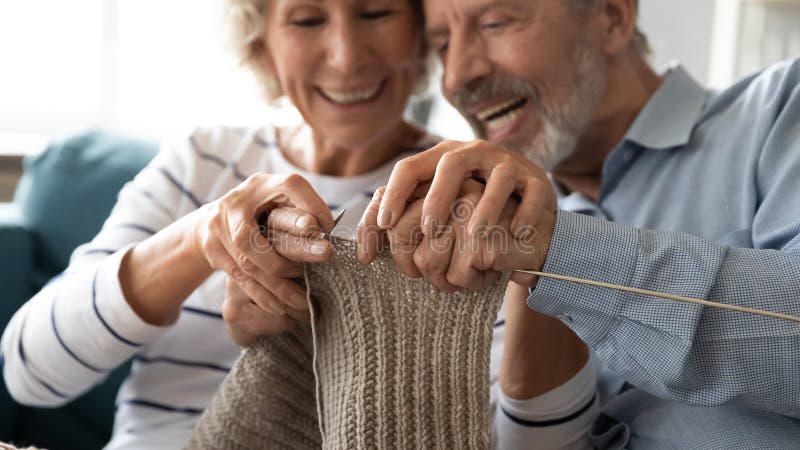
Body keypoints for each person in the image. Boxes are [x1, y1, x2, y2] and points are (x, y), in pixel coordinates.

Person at [1, 0, 598, 449]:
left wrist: (536, 264)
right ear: (264, 45)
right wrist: (202, 239)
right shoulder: (202, 160)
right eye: (308, 19)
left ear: (422, 35)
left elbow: (543, 444)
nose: (346, 55)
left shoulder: (477, 195)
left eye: (375, 11)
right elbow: (30, 373)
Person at [358, 0, 800, 448]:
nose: (456, 76)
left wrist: (554, 247)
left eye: (495, 23)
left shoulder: (782, 108)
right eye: (443, 45)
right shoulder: (467, 239)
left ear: (612, 18)